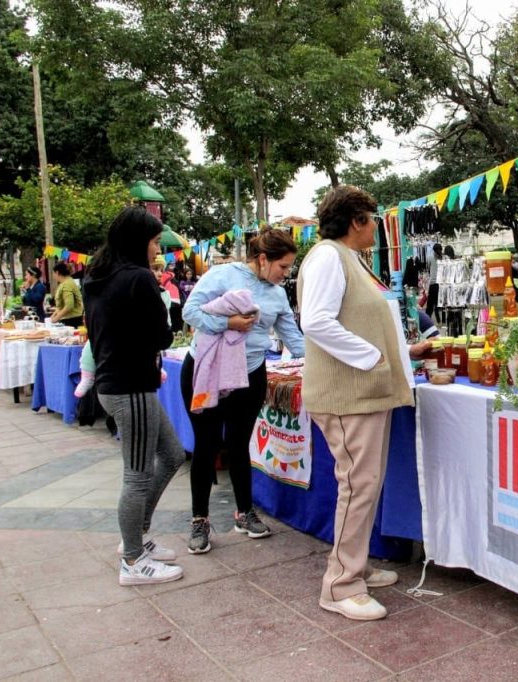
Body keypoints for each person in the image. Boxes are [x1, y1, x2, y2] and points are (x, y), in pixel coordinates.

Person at [298, 185, 432, 621]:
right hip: (348, 394)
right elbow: (315, 320)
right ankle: (340, 585)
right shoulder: (327, 257)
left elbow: (357, 319)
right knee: (357, 486)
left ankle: (352, 566)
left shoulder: (347, 258)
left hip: (362, 390)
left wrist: (398, 354)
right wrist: (372, 357)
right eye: (372, 218)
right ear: (356, 220)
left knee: (362, 484)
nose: (376, 225)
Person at [181, 228, 306, 554]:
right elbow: (189, 311)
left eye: (289, 268)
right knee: (206, 447)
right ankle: (199, 519)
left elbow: (296, 342)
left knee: (239, 444)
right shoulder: (223, 275)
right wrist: (228, 324)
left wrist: (333, 354)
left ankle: (244, 512)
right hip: (207, 372)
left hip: (250, 374)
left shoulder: (278, 295)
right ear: (263, 259)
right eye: (282, 267)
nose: (285, 274)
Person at [83, 206, 185, 586]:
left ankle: (137, 537)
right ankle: (131, 559)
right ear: (138, 241)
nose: (158, 251)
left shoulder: (96, 276)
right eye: (156, 242)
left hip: (117, 382)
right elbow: (161, 335)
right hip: (130, 385)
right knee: (137, 476)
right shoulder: (138, 278)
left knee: (172, 455)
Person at [50, 263, 84, 327]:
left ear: (57, 272)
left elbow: (69, 305)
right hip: (70, 318)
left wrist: (56, 318)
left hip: (71, 320)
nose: (53, 276)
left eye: (53, 273)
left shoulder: (67, 284)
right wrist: (54, 315)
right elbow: (61, 306)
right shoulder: (66, 282)